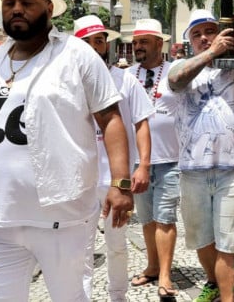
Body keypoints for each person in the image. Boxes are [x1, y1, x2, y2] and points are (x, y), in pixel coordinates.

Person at [0, 0, 134, 300]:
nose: (16, 9)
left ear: (49, 9)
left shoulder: (76, 55)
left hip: (61, 214)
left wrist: (121, 183)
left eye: (27, 2)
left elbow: (110, 117)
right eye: (9, 2)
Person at [167, 9, 234, 302]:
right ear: (189, 42)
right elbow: (176, 82)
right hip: (193, 170)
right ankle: (212, 282)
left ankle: (227, 298)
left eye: (210, 31)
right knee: (201, 240)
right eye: (197, 34)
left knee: (229, 243)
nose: (204, 38)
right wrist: (211, 54)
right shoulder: (182, 66)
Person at [74, 15, 156, 302]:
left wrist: (143, 164)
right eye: (87, 42)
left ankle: (117, 295)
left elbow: (142, 123)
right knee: (80, 247)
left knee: (117, 243)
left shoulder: (125, 80)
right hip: (80, 180)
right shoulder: (68, 82)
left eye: (99, 40)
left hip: (115, 180)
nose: (95, 47)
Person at [126, 18, 182, 301]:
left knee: (165, 218)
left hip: (171, 159)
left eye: (144, 42)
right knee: (146, 219)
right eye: (135, 43)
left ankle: (165, 275)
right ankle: (151, 265)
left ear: (160, 44)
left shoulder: (176, 73)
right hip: (137, 163)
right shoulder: (127, 75)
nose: (138, 47)